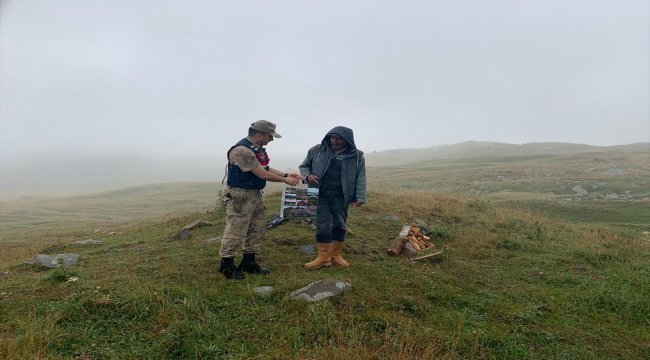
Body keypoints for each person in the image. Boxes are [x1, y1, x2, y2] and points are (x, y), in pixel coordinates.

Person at [219, 120, 301, 280]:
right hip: (240, 195)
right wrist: (285, 181)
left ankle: (249, 262)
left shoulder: (256, 150)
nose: (271, 140)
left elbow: (265, 168)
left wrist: (285, 174)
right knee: (236, 229)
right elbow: (263, 174)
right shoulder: (242, 151)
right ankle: (226, 265)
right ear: (259, 135)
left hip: (254, 194)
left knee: (257, 228)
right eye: (270, 137)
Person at [299, 126, 366, 269]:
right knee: (322, 225)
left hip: (341, 196)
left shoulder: (357, 157)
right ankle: (323, 257)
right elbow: (304, 166)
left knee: (340, 224)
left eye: (338, 138)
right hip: (319, 194)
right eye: (332, 137)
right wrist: (308, 176)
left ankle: (336, 255)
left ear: (347, 140)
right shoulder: (316, 150)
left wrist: (360, 196)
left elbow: (361, 177)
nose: (334, 141)